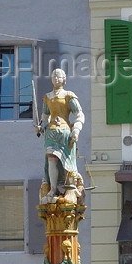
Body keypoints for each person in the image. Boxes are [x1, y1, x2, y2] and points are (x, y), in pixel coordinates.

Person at [36, 68, 85, 204]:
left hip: (65, 133)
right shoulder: (47, 97)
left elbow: (79, 114)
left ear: (64, 79)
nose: (56, 78)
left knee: (67, 163)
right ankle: (52, 188)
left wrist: (76, 129)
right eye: (54, 76)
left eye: (59, 76)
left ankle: (69, 187)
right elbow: (45, 116)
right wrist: (41, 126)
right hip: (51, 133)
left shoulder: (69, 96)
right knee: (51, 160)